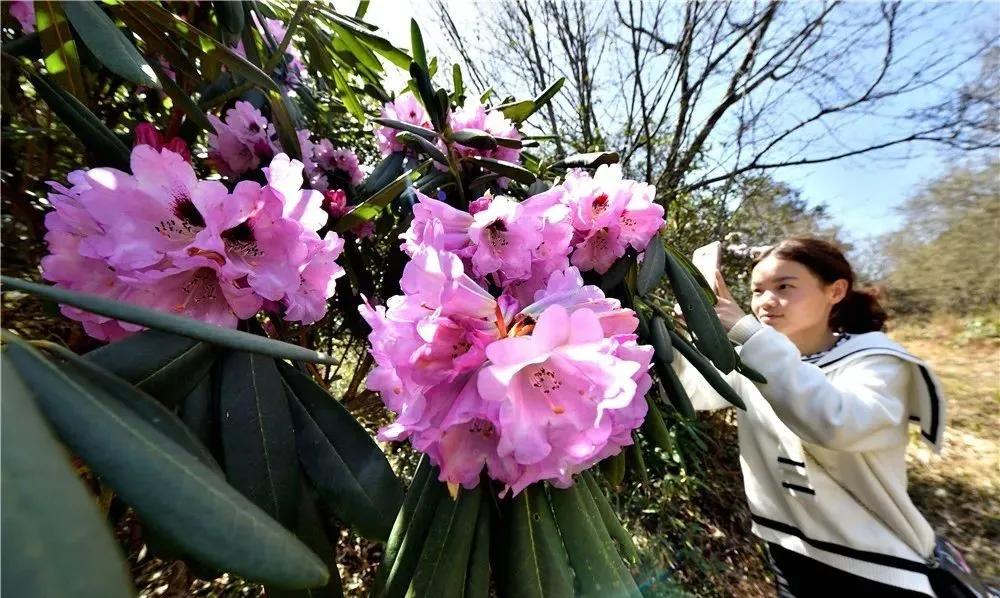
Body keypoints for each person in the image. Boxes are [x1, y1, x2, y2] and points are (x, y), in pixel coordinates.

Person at [673, 237, 951, 597]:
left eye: (784, 286)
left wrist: (747, 332)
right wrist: (673, 337)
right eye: (757, 291)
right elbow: (690, 392)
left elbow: (834, 423)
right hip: (788, 545)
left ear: (835, 291)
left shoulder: (877, 360)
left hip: (876, 562)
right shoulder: (754, 357)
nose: (766, 302)